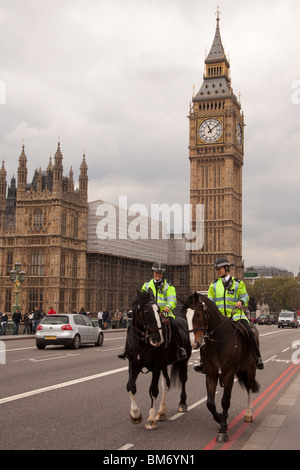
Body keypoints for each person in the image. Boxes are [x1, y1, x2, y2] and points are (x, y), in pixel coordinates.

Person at [194, 258, 264, 372]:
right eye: (217, 270)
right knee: (205, 336)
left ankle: (257, 358)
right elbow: (210, 301)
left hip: (236, 316)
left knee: (249, 332)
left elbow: (245, 296)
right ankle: (202, 362)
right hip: (220, 318)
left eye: (220, 269)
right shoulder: (214, 285)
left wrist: (241, 302)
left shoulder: (238, 283)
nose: (218, 271)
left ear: (226, 268)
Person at [118, 262, 187, 361]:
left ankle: (179, 349)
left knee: (174, 326)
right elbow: (141, 299)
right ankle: (126, 349)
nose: (158, 275)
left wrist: (168, 306)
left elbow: (173, 300)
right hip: (149, 315)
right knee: (131, 326)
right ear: (153, 273)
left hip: (165, 314)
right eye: (156, 273)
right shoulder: (146, 285)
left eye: (160, 273)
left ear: (162, 274)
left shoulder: (169, 286)